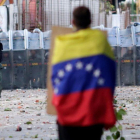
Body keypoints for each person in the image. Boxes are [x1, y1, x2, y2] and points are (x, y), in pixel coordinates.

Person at [51, 6, 116, 140]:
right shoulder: (100, 41)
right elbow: (110, 72)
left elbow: (55, 78)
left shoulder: (62, 44)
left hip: (67, 112)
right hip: (93, 112)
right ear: (90, 21)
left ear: (73, 22)